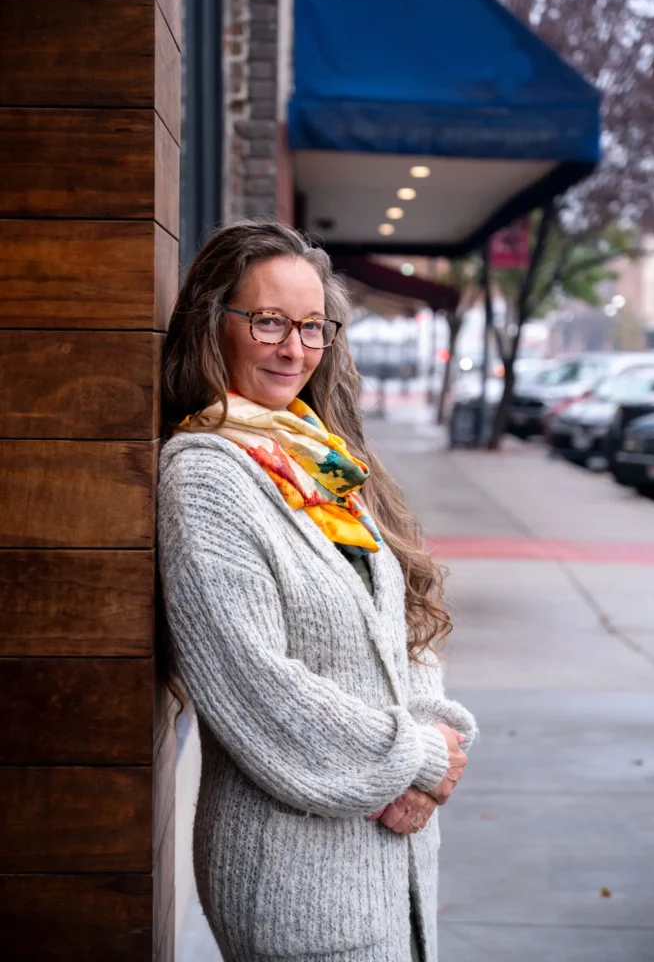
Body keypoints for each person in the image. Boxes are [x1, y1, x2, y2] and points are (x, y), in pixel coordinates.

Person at [158, 220, 477, 962]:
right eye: (267, 321)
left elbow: (395, 613)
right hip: (296, 875)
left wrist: (434, 736)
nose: (292, 348)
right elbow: (255, 686)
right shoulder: (205, 474)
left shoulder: (315, 455)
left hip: (388, 848)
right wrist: (420, 759)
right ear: (214, 323)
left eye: (311, 326)